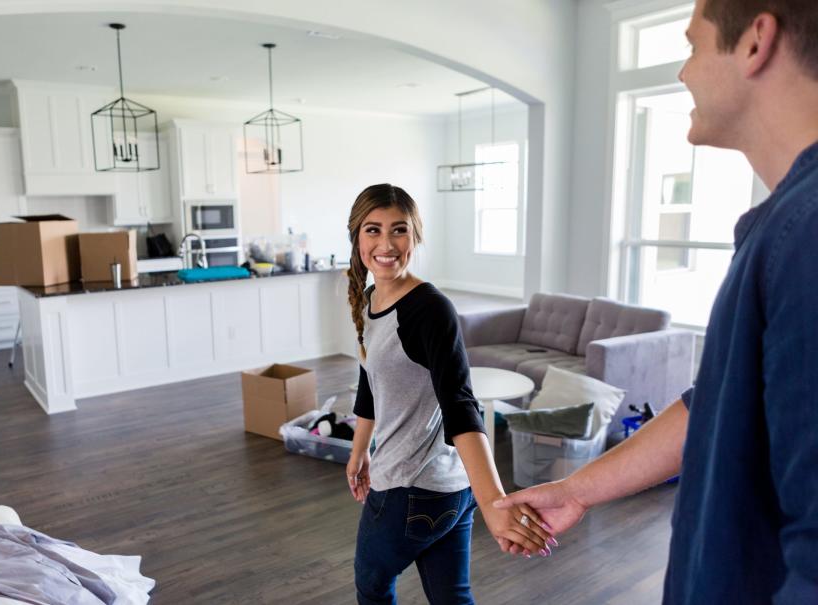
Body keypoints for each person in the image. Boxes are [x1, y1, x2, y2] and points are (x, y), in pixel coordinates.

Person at [495, 0, 818, 602]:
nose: (682, 72)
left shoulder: (807, 235)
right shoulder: (782, 229)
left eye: (693, 46)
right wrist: (576, 490)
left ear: (756, 42)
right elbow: (714, 407)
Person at [344, 184, 556, 605]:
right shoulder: (371, 300)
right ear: (356, 236)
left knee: (372, 588)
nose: (386, 244)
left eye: (399, 230)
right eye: (373, 230)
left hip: (410, 489)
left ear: (416, 236)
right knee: (451, 598)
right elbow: (369, 382)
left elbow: (460, 405)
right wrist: (358, 450)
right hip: (447, 490)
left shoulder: (428, 309)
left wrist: (494, 501)